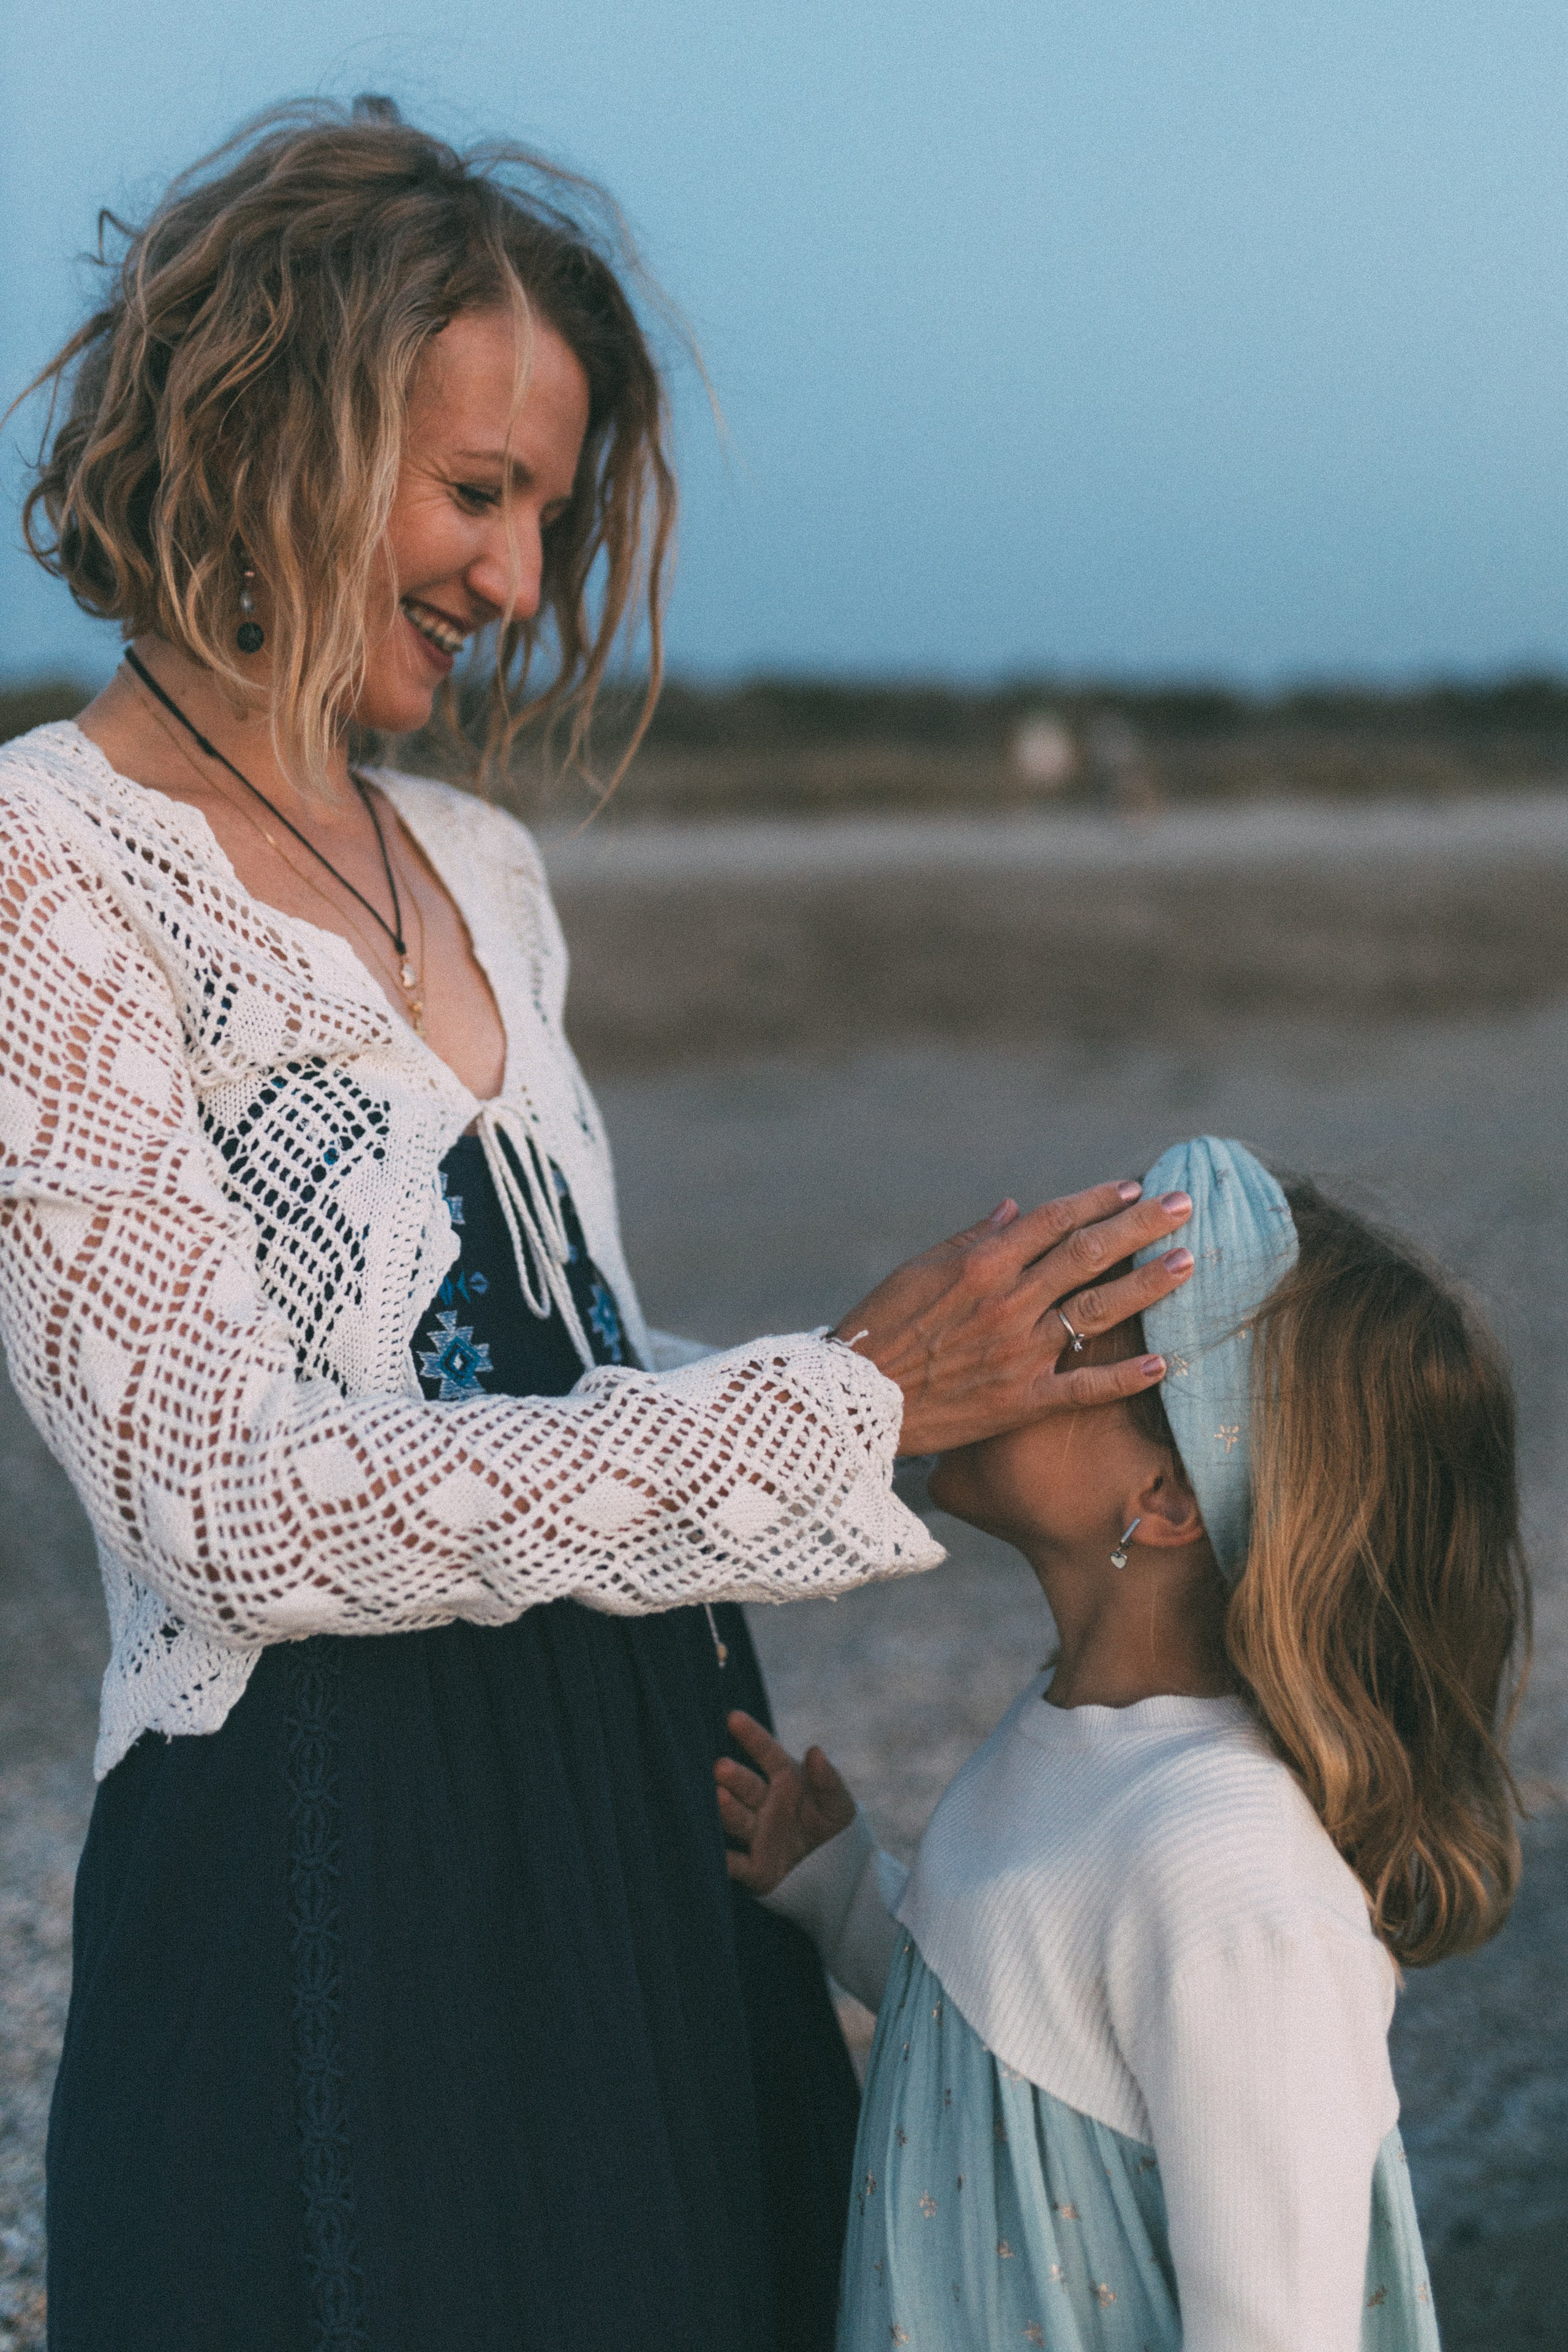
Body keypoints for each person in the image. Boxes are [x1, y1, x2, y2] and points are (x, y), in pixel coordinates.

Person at [0, 100, 1198, 2352]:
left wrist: (940, 1373)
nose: (522, 583)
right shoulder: (39, 872)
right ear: (267, 424)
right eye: (478, 494)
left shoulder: (485, 868)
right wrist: (835, 1404)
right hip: (335, 1879)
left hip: (657, 1815)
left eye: (549, 512)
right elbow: (222, 1510)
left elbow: (559, 1370)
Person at [721, 1136, 1528, 2351]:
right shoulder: (1069, 1741)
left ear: (1163, 1500)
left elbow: (1280, 2317)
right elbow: (1011, 2054)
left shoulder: (1233, 1874)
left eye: (1062, 1334)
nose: (993, 1341)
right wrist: (845, 1899)